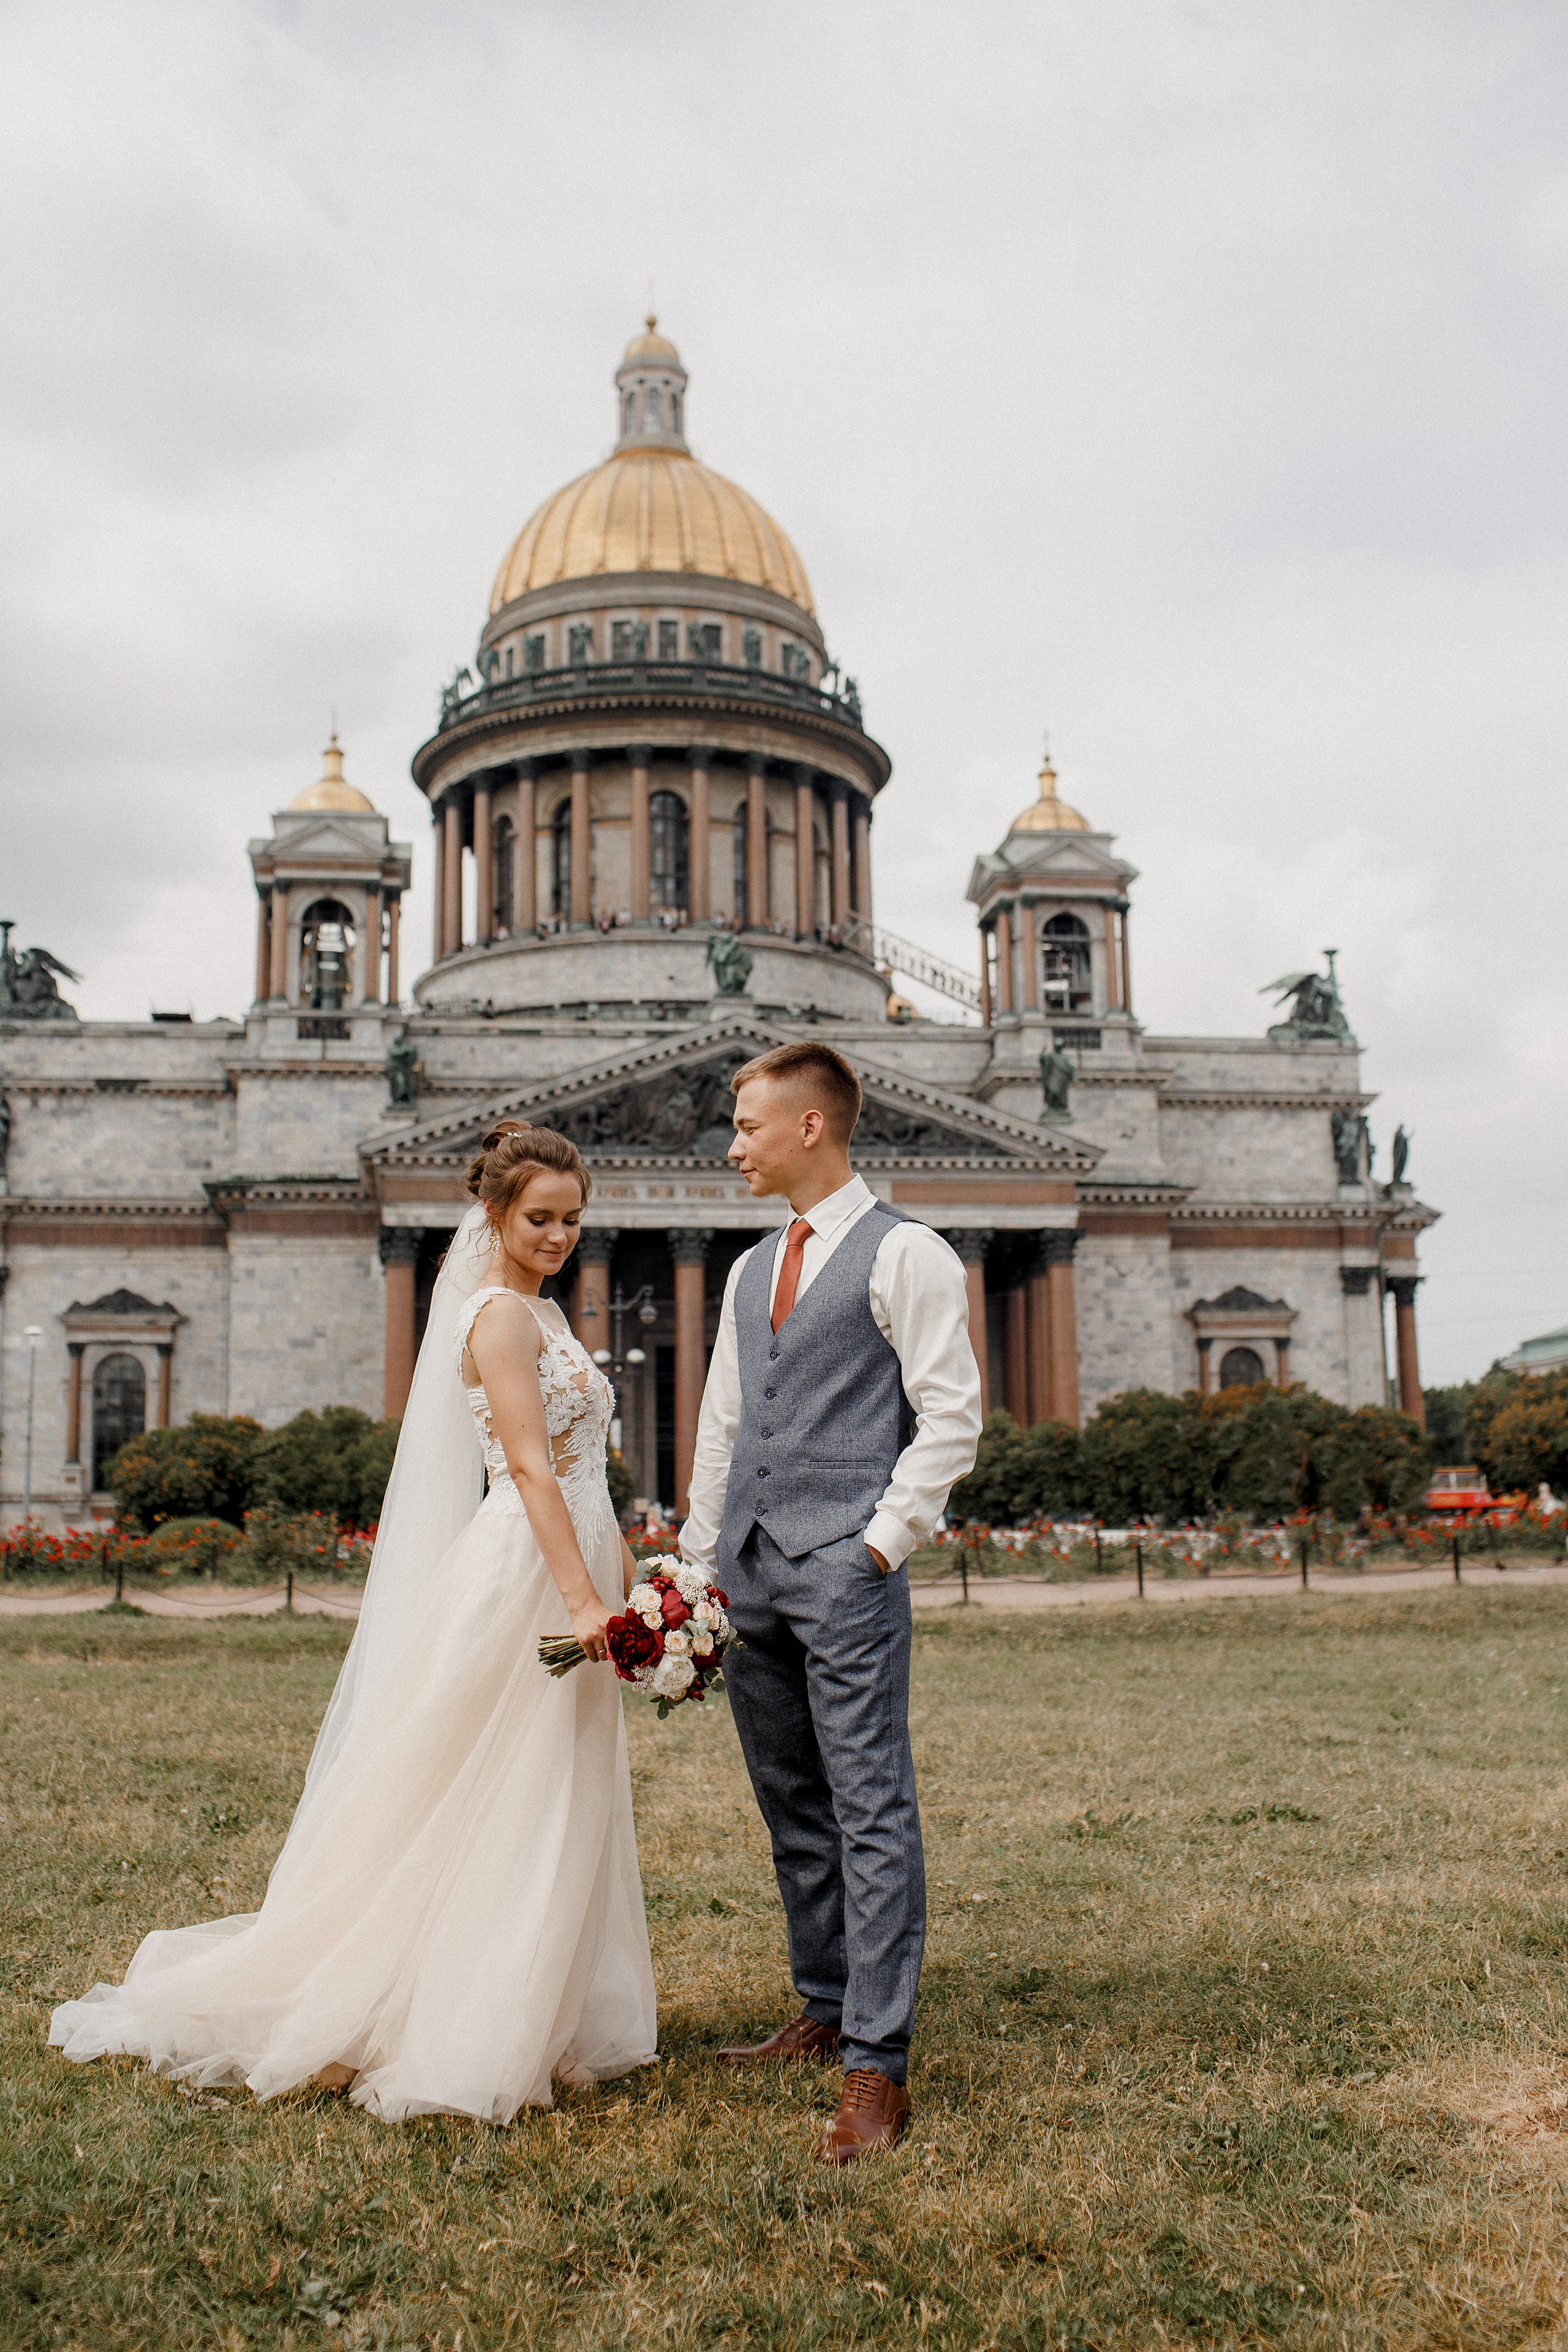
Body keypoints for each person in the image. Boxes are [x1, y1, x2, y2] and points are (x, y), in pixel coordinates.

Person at [49, 1125, 656, 2122]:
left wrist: (634, 1593)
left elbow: (589, 1478)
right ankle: (455, 2016)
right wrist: (585, 1601)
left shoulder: (548, 1318)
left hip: (576, 1554)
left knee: (560, 1783)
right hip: (526, 1569)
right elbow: (532, 1468)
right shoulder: (499, 1319)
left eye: (573, 1219)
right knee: (500, 1784)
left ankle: (539, 2012)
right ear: (495, 1216)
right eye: (539, 1218)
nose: (558, 1235)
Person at [680, 1041, 982, 2164]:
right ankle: (822, 2002)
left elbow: (949, 1415)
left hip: (844, 1569)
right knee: (791, 1802)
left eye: (750, 1124)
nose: (734, 1143)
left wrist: (880, 1545)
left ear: (812, 1127)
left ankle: (877, 2065)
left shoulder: (909, 1254)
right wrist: (702, 1560)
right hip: (752, 1570)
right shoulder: (754, 1266)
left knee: (868, 1805)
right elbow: (723, 1421)